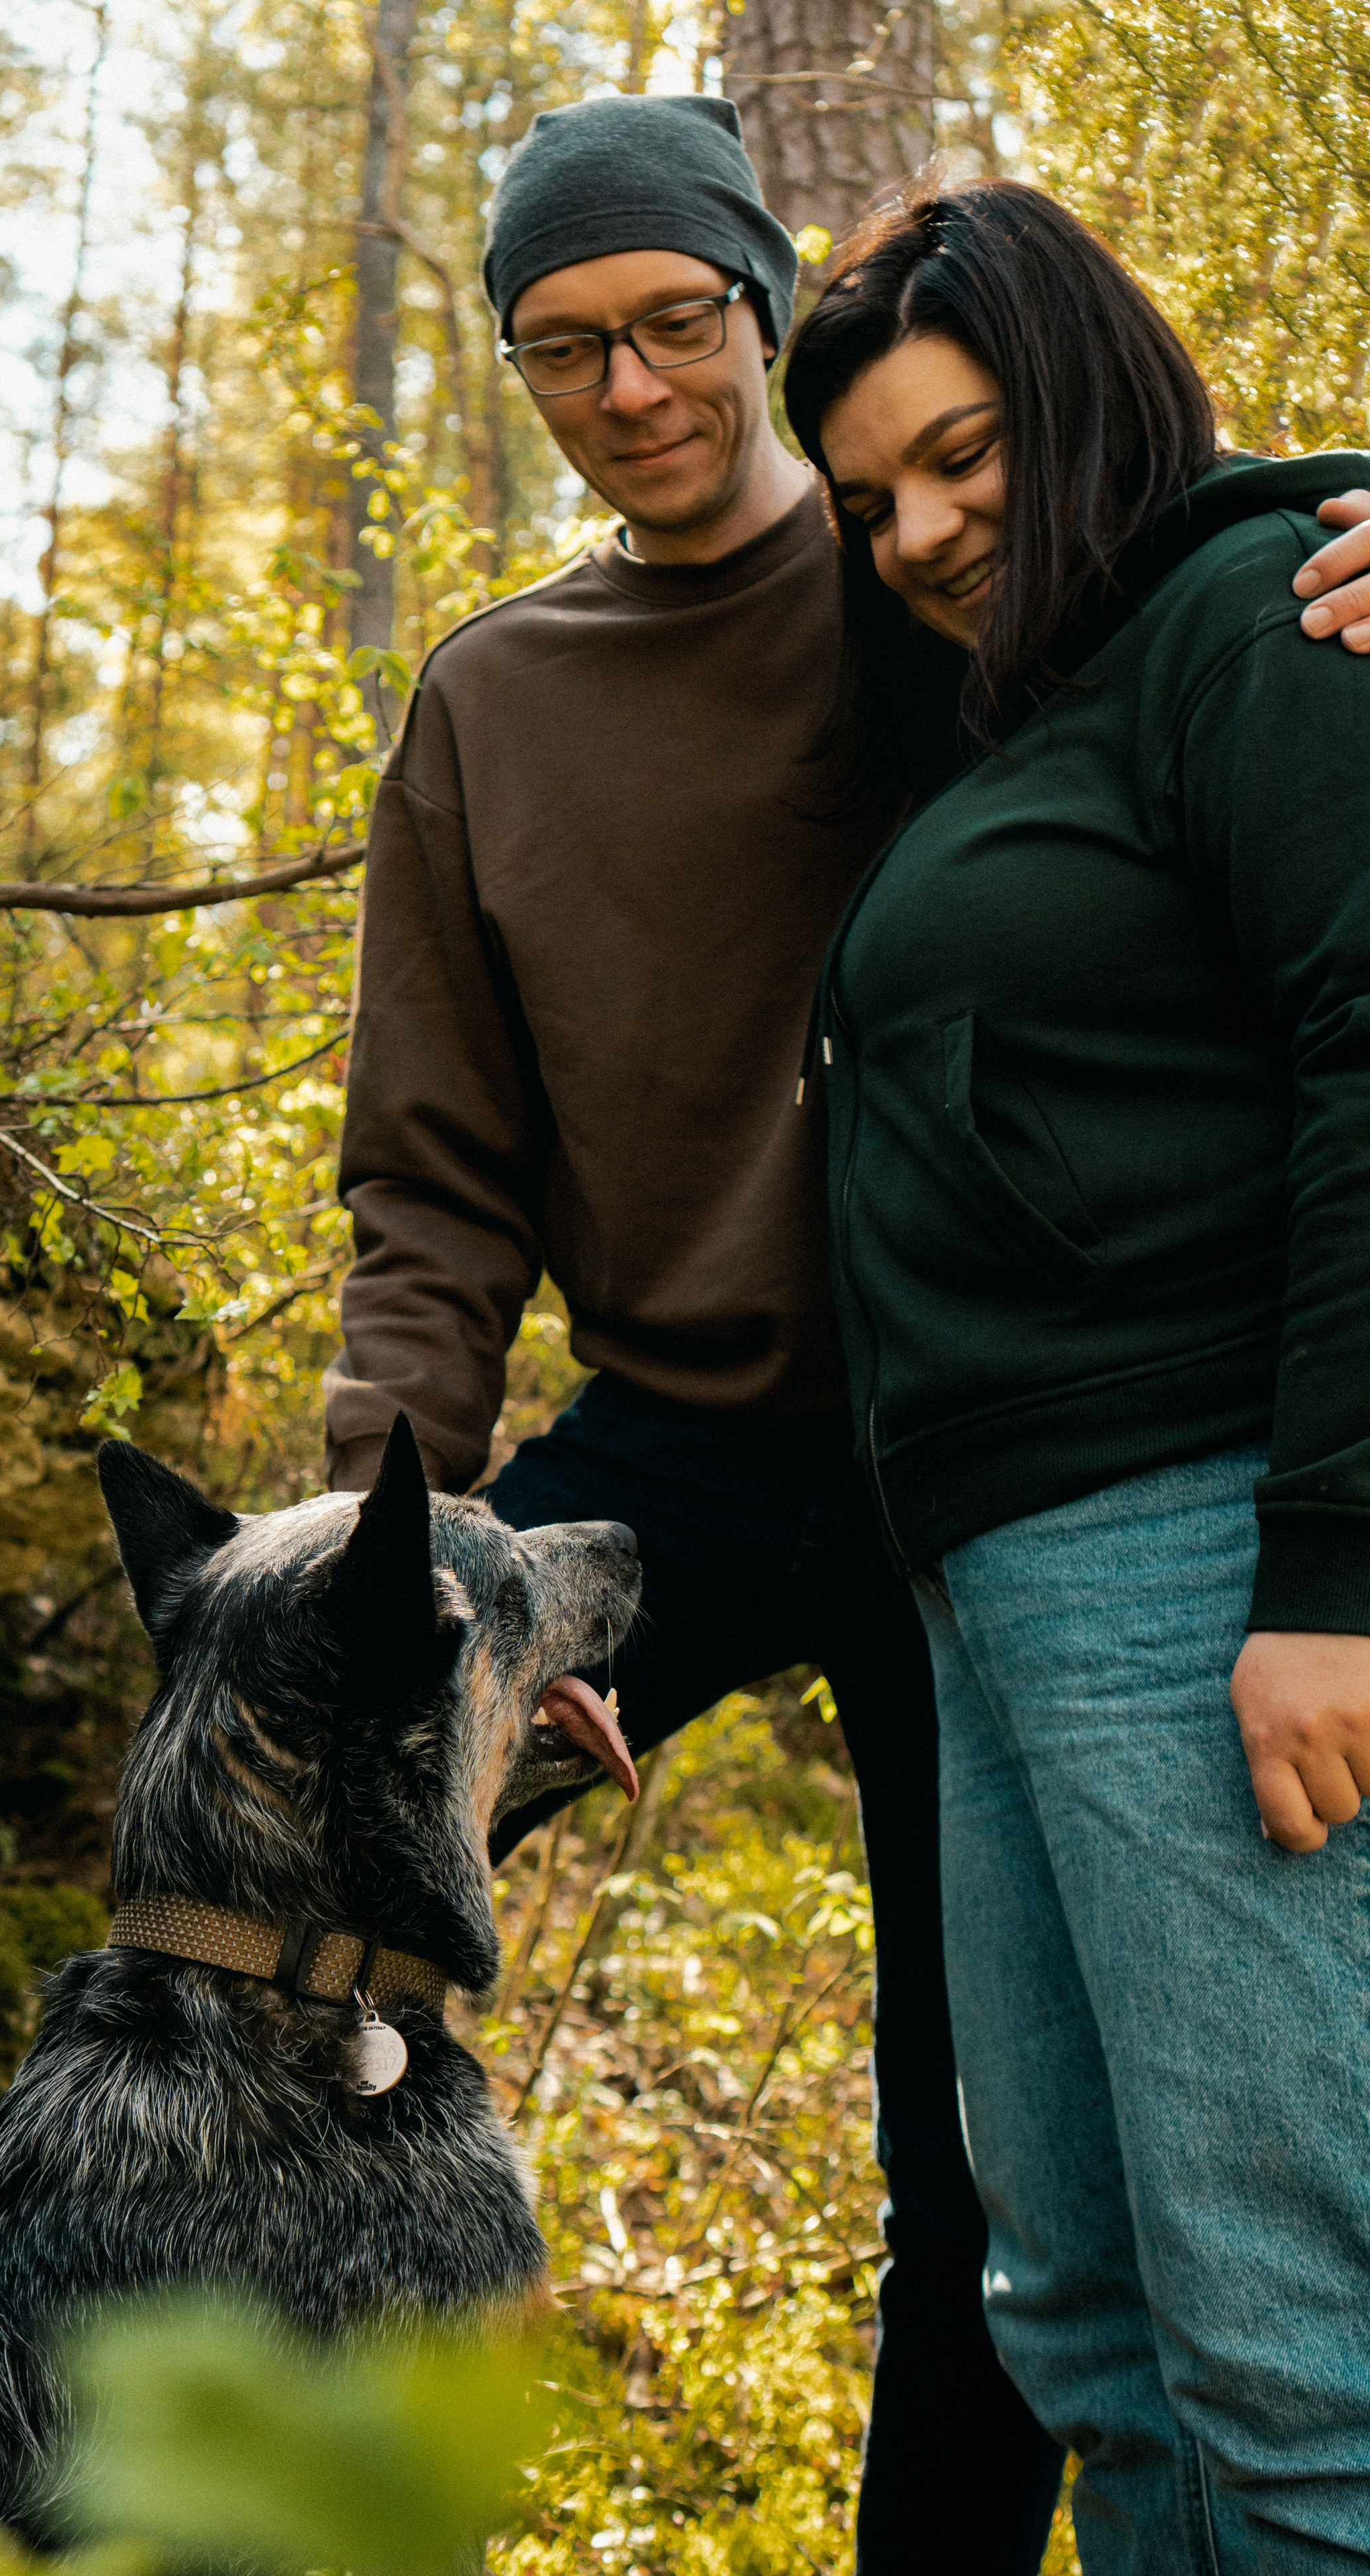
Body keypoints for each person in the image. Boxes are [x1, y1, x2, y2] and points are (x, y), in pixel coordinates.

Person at [324, 95, 1370, 2570]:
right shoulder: (503, 698)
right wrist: (396, 1551)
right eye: (562, 346)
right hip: (684, 1452)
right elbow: (434, 1184)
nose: (632, 386)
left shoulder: (974, 587)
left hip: (1010, 1457)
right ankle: (159, 2440)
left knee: (989, 2169)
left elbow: (1209, 584)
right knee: (305, 1853)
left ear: (760, 304)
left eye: (679, 319)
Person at [784, 178, 1370, 2573]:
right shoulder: (1017, 702)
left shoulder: (1267, 611)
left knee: (1294, 2357)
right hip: (998, 1585)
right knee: (1093, 2333)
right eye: (872, 502)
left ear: (1090, 389)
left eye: (965, 454)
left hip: (1200, 1543)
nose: (921, 532)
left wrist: (1332, 1573)